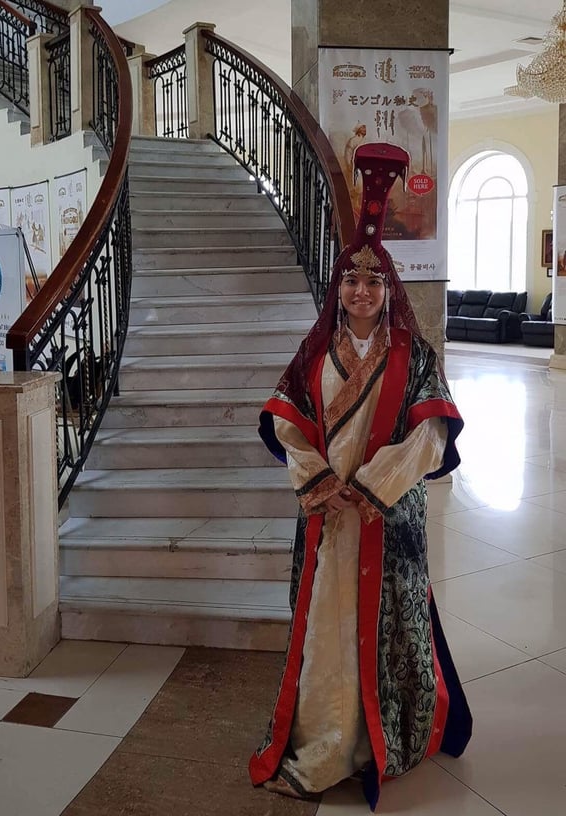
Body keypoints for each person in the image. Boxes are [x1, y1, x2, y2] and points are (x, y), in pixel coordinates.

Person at [249, 143, 472, 811]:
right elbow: (285, 420)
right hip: (325, 516)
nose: (361, 291)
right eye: (351, 279)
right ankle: (325, 737)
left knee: (389, 627)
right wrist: (319, 480)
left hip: (386, 516)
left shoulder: (415, 354)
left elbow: (432, 432)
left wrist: (373, 485)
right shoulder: (315, 349)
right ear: (337, 286)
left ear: (390, 289)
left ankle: (381, 738)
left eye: (375, 282)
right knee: (325, 628)